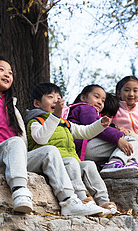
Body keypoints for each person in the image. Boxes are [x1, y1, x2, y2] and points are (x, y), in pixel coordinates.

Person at [0, 56, 107, 216]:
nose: (7, 74)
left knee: (49, 151)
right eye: (1, 70)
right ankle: (20, 191)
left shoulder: (13, 109)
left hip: (15, 156)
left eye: (10, 72)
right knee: (15, 142)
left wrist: (102, 124)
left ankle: (69, 201)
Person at [25, 83, 117, 215]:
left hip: (71, 163)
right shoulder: (36, 121)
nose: (56, 100)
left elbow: (85, 132)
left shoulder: (65, 123)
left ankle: (104, 202)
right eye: (50, 97)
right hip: (53, 164)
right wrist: (55, 116)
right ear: (37, 103)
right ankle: (81, 199)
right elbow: (41, 139)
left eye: (58, 97)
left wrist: (100, 125)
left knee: (89, 165)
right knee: (71, 162)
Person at [67, 84, 138, 179]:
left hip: (85, 148)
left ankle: (130, 164)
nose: (100, 102)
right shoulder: (86, 108)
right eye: (96, 97)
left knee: (129, 139)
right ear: (83, 97)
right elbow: (97, 127)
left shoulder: (83, 109)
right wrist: (118, 138)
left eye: (103, 100)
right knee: (129, 140)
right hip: (84, 147)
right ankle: (116, 162)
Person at [102, 92, 138, 172]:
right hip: (99, 144)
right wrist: (118, 136)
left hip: (111, 139)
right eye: (103, 115)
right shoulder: (94, 116)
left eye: (110, 117)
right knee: (132, 138)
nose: (107, 118)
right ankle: (127, 162)